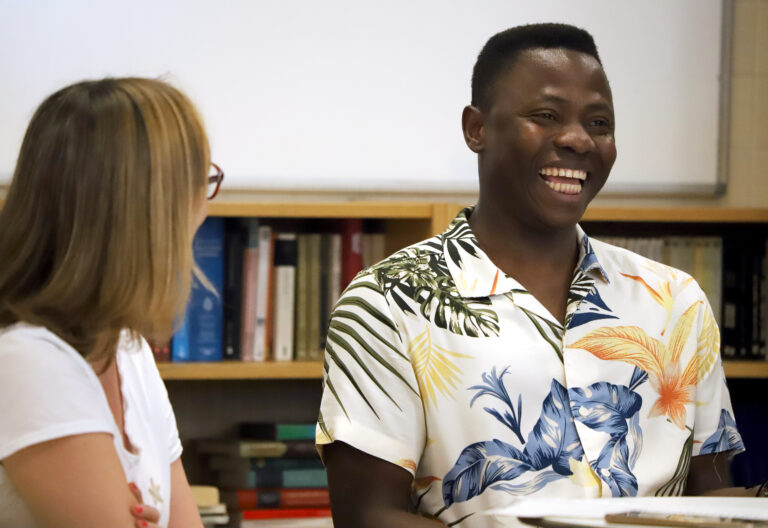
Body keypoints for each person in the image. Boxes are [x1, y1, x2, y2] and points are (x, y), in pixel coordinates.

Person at [316, 23, 754, 528]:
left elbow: (713, 498)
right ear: (476, 129)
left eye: (599, 123)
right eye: (545, 116)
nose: (577, 139)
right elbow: (368, 517)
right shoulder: (388, 302)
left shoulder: (675, 299)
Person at [0, 78, 224, 528]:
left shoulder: (129, 350)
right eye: (202, 181)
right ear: (151, 213)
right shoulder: (28, 363)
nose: (205, 206)